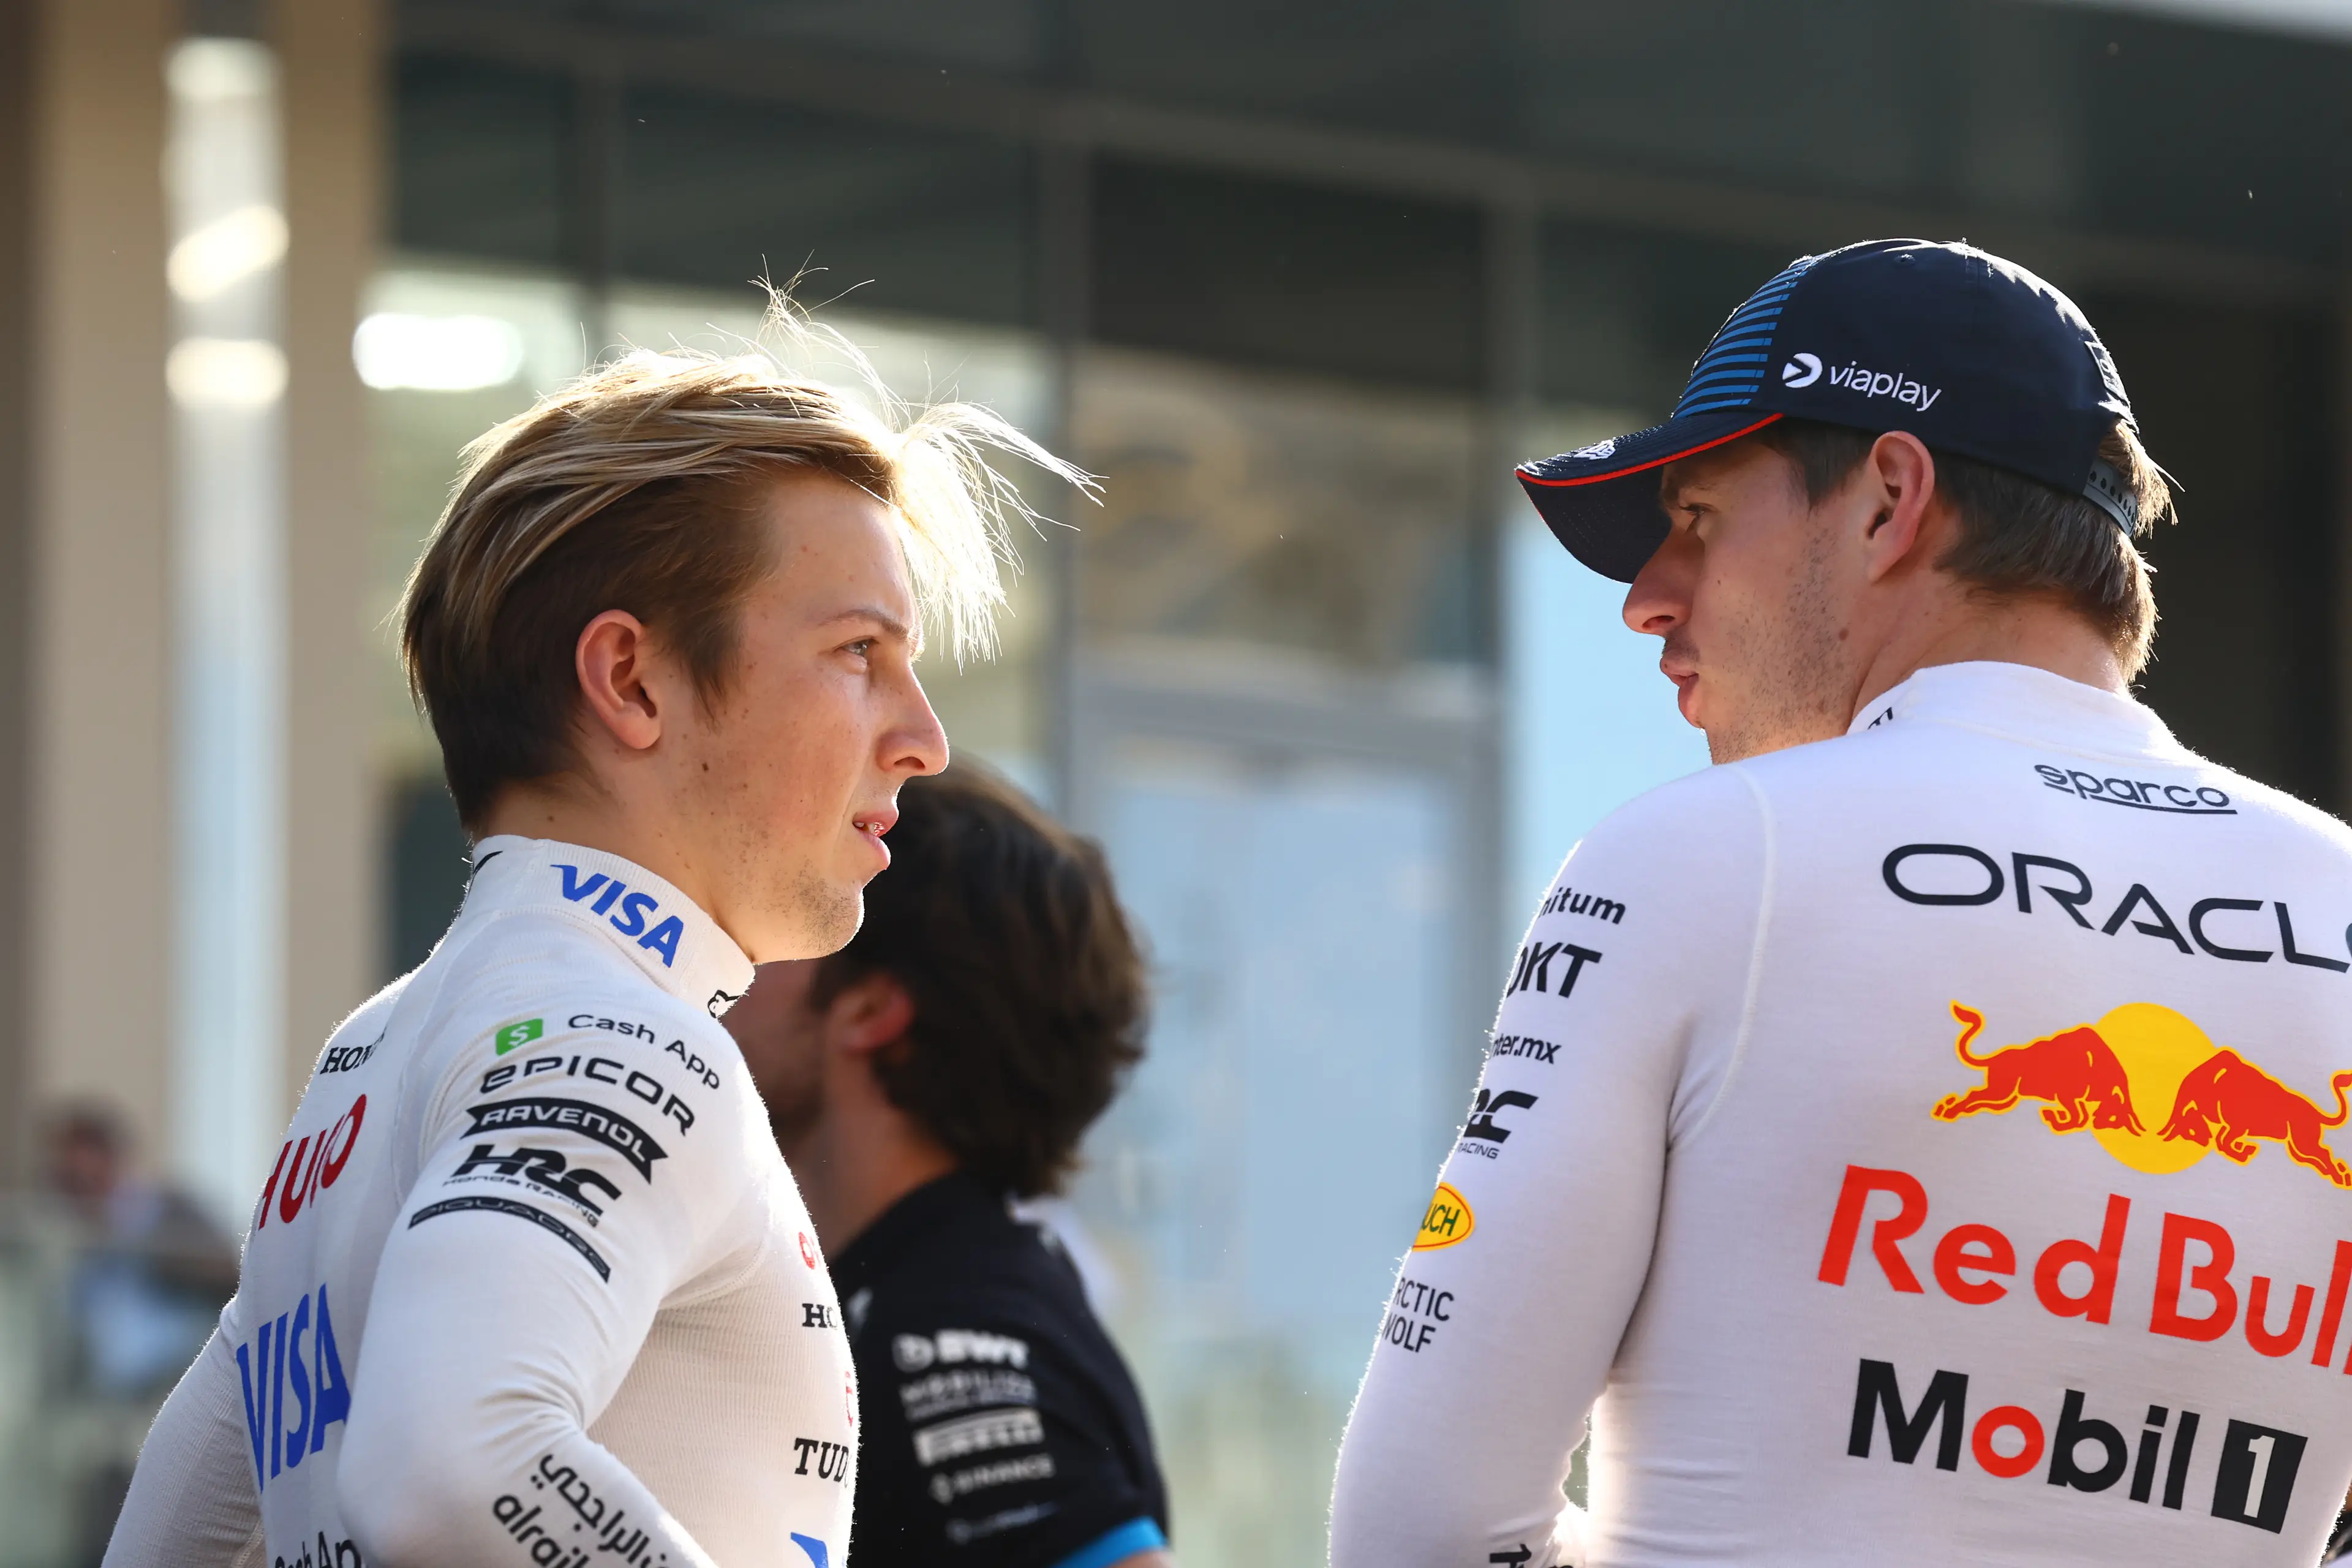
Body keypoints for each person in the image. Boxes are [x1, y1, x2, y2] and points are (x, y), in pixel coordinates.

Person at [1330, 239, 2352, 1564]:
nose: (1649, 600)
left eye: (1696, 520)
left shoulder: (1698, 861)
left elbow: (1423, 1530)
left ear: (1887, 498)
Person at [103, 316, 1085, 1567]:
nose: (924, 736)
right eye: (857, 652)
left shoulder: (377, 1048)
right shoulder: (624, 1031)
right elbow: (453, 1464)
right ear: (630, 679)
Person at [722, 761, 1172, 1568]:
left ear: (870, 1008)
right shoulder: (921, 1293)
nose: (726, 948)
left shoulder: (951, 1334)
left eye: (787, 917)